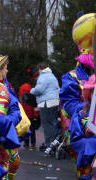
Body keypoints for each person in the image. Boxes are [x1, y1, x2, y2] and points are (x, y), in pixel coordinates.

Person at [60, 46, 94, 179]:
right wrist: (90, 106)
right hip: (80, 132)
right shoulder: (71, 77)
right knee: (85, 172)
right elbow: (69, 105)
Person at [69, 75, 96, 180]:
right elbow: (75, 140)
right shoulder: (81, 112)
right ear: (90, 94)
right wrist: (92, 144)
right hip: (87, 163)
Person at [30, 62, 60, 151]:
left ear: (40, 69)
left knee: (46, 124)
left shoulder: (42, 76)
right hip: (55, 102)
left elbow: (39, 90)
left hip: (46, 103)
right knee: (53, 123)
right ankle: (55, 143)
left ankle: (49, 144)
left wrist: (32, 90)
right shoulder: (52, 76)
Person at [18, 68, 40, 149]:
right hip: (31, 114)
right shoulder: (31, 92)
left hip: (24, 114)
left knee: (26, 129)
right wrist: (35, 114)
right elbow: (34, 104)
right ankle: (33, 144)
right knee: (32, 130)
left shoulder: (21, 92)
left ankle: (26, 143)